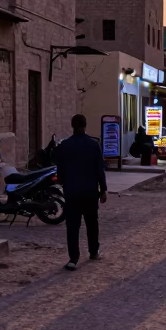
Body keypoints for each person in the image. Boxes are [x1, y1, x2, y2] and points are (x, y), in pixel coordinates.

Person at [55, 114, 108, 271]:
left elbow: (60, 170)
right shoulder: (93, 145)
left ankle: (73, 258)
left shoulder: (65, 146)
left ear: (72, 125)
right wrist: (103, 189)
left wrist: (63, 183)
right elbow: (100, 169)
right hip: (90, 192)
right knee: (92, 223)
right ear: (85, 125)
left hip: (72, 192)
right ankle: (93, 252)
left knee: (72, 226)